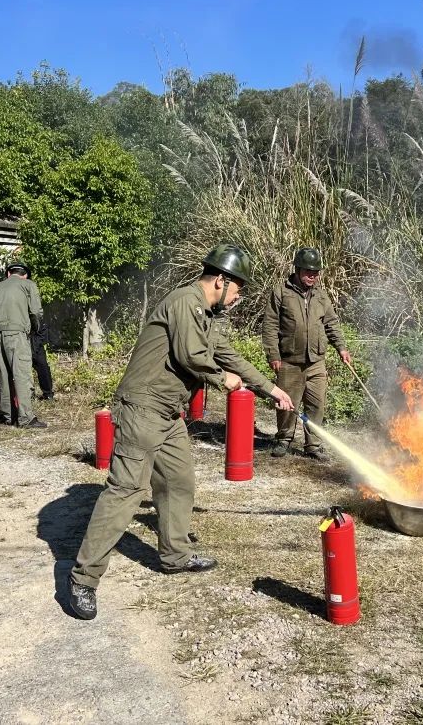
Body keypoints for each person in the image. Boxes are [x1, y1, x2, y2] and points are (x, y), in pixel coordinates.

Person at [67, 244, 295, 621]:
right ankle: (83, 579)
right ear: (220, 280)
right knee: (127, 491)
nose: (238, 299)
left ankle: (175, 556)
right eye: (237, 290)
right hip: (142, 407)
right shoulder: (185, 302)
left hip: (168, 413)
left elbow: (228, 355)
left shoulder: (205, 315)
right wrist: (225, 380)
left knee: (178, 481)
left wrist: (270, 389)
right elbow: (193, 356)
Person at [261, 247, 351, 460]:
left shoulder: (321, 295)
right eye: (309, 272)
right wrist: (273, 355)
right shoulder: (281, 291)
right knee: (286, 404)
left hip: (316, 362)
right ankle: (283, 439)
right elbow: (270, 325)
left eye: (316, 272)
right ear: (298, 269)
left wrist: (341, 347)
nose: (313, 276)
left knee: (316, 404)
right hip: (289, 361)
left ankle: (313, 446)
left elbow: (331, 322)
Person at [0, 262, 46, 429]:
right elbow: (35, 311)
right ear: (25, 275)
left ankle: (8, 415)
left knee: (3, 373)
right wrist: (36, 328)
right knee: (21, 374)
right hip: (16, 333)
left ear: (8, 274)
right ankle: (26, 418)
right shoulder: (28, 285)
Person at [32, 321, 54, 401]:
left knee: (42, 365)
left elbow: (38, 314)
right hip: (21, 335)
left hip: (35, 334)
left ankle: (48, 393)